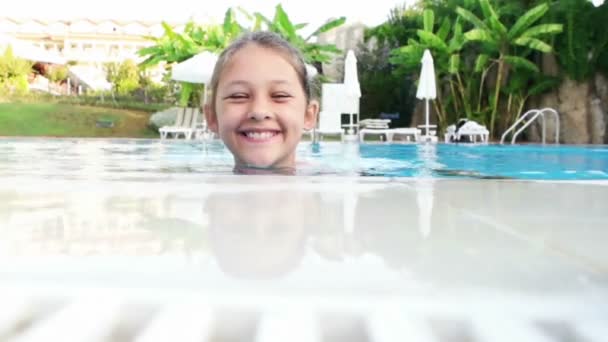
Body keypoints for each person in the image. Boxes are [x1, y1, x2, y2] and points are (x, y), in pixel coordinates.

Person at [204, 31, 319, 173]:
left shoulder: (334, 186)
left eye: (280, 95)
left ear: (309, 115)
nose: (259, 112)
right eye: (239, 96)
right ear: (212, 117)